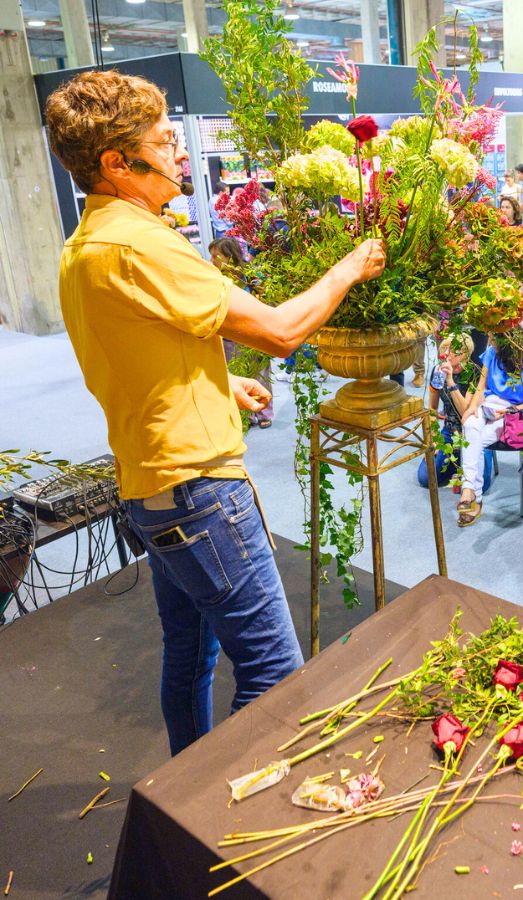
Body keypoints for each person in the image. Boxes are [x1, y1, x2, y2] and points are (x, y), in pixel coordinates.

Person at [46, 69, 386, 755]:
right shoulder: (141, 242)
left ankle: (183, 802)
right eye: (165, 141)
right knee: (275, 675)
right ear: (118, 162)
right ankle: (235, 823)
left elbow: (130, 358)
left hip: (152, 488)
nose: (178, 153)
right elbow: (282, 331)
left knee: (190, 658)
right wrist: (348, 268)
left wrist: (217, 385)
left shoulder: (88, 245)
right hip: (201, 494)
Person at [456, 338, 523, 527]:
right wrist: (472, 407)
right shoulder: (490, 354)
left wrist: (510, 410)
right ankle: (470, 489)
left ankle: (473, 495)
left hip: (513, 412)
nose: (490, 340)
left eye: (495, 337)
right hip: (487, 406)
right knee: (470, 424)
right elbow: (481, 388)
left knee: (474, 441)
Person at [418, 337, 494, 495]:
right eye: (444, 348)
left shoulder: (475, 372)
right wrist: (435, 439)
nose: (446, 353)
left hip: (473, 433)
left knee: (482, 485)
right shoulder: (438, 371)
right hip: (450, 432)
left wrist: (451, 382)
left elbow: (466, 414)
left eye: (452, 350)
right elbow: (432, 408)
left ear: (465, 354)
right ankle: (458, 462)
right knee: (425, 478)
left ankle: (463, 462)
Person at [210, 238, 273, 428]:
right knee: (237, 373)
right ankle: (246, 414)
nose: (211, 260)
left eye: (216, 256)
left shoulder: (252, 276)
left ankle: (264, 413)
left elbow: (267, 300)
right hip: (230, 335)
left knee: (260, 373)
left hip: (255, 333)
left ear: (229, 257)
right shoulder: (215, 279)